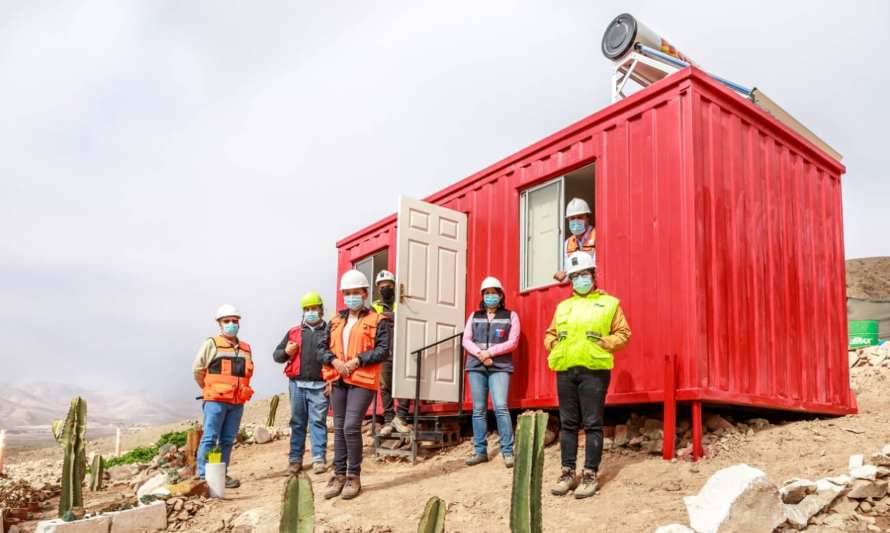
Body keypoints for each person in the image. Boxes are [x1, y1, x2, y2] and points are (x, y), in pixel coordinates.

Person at [545, 252, 631, 499]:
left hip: (594, 371)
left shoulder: (609, 303)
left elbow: (624, 333)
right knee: (568, 424)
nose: (580, 279)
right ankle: (567, 473)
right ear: (571, 280)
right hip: (566, 369)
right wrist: (553, 344)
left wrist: (605, 342)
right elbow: (550, 334)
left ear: (593, 275)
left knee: (593, 423)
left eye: (584, 274)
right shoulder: (563, 307)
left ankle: (590, 474)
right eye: (575, 276)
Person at [320, 269, 392, 500]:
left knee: (351, 427)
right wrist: (335, 361)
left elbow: (382, 350)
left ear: (364, 293)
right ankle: (338, 474)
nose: (352, 297)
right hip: (338, 379)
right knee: (339, 429)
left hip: (362, 381)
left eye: (356, 292)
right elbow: (321, 349)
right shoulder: (334, 321)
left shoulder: (378, 320)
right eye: (347, 293)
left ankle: (353, 475)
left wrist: (357, 361)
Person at [193, 304, 255, 489]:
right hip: (216, 401)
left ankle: (221, 474)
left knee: (227, 440)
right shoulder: (211, 344)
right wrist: (208, 389)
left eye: (234, 321)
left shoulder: (245, 348)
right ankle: (203, 476)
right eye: (227, 321)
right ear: (219, 323)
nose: (231, 324)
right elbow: (198, 369)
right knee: (210, 437)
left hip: (236, 402)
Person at [461, 276, 520, 469]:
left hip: (499, 366)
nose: (490, 296)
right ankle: (480, 451)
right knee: (478, 410)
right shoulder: (474, 316)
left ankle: (508, 451)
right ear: (482, 296)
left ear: (501, 295)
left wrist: (490, 352)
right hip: (476, 366)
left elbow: (513, 342)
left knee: (501, 407)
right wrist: (480, 354)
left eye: (494, 292)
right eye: (487, 293)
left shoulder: (510, 316)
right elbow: (466, 340)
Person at [273, 291, 330, 476]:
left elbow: (336, 358)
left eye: (314, 308)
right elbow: (277, 356)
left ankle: (319, 459)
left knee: (318, 422)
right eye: (307, 309)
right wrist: (286, 352)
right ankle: (295, 460)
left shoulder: (330, 331)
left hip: (320, 386)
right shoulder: (293, 332)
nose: (310, 312)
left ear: (321, 310)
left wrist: (331, 382)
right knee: (298, 423)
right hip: (297, 385)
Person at [373, 270, 412, 437]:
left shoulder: (403, 303)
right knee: (385, 386)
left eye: (388, 286)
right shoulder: (373, 307)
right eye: (382, 287)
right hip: (384, 352)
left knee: (406, 383)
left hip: (402, 350)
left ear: (394, 286)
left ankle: (401, 418)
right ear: (377, 289)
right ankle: (389, 420)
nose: (385, 289)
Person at [554, 198, 596, 282]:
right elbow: (568, 273)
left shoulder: (598, 236)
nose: (576, 221)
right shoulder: (567, 244)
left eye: (580, 217)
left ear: (588, 218)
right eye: (572, 218)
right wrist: (561, 277)